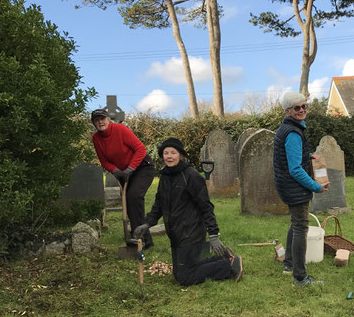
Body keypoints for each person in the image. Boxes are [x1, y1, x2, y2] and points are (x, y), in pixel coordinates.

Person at [133, 138, 243, 286]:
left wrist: (213, 235)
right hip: (176, 234)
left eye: (173, 152)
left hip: (191, 233)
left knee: (185, 277)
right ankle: (224, 258)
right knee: (180, 273)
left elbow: (206, 206)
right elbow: (159, 205)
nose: (169, 156)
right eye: (166, 153)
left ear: (181, 155)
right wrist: (147, 224)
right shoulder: (165, 176)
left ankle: (229, 266)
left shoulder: (191, 175)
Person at [273, 92, 330, 287]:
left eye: (304, 106)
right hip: (293, 185)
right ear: (288, 111)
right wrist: (315, 186)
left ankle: (289, 263)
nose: (302, 110)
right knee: (300, 227)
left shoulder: (287, 128)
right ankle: (300, 277)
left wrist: (308, 155)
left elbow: (292, 156)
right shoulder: (293, 133)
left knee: (295, 224)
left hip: (286, 184)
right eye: (297, 108)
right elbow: (295, 169)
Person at [91, 109, 155, 248]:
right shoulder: (96, 139)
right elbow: (104, 161)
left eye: (102, 118)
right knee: (128, 203)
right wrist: (116, 171)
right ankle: (139, 238)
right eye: (97, 120)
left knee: (133, 196)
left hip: (142, 167)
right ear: (94, 124)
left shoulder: (120, 129)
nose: (100, 122)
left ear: (108, 119)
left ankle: (142, 238)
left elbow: (140, 149)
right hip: (123, 173)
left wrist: (130, 168)